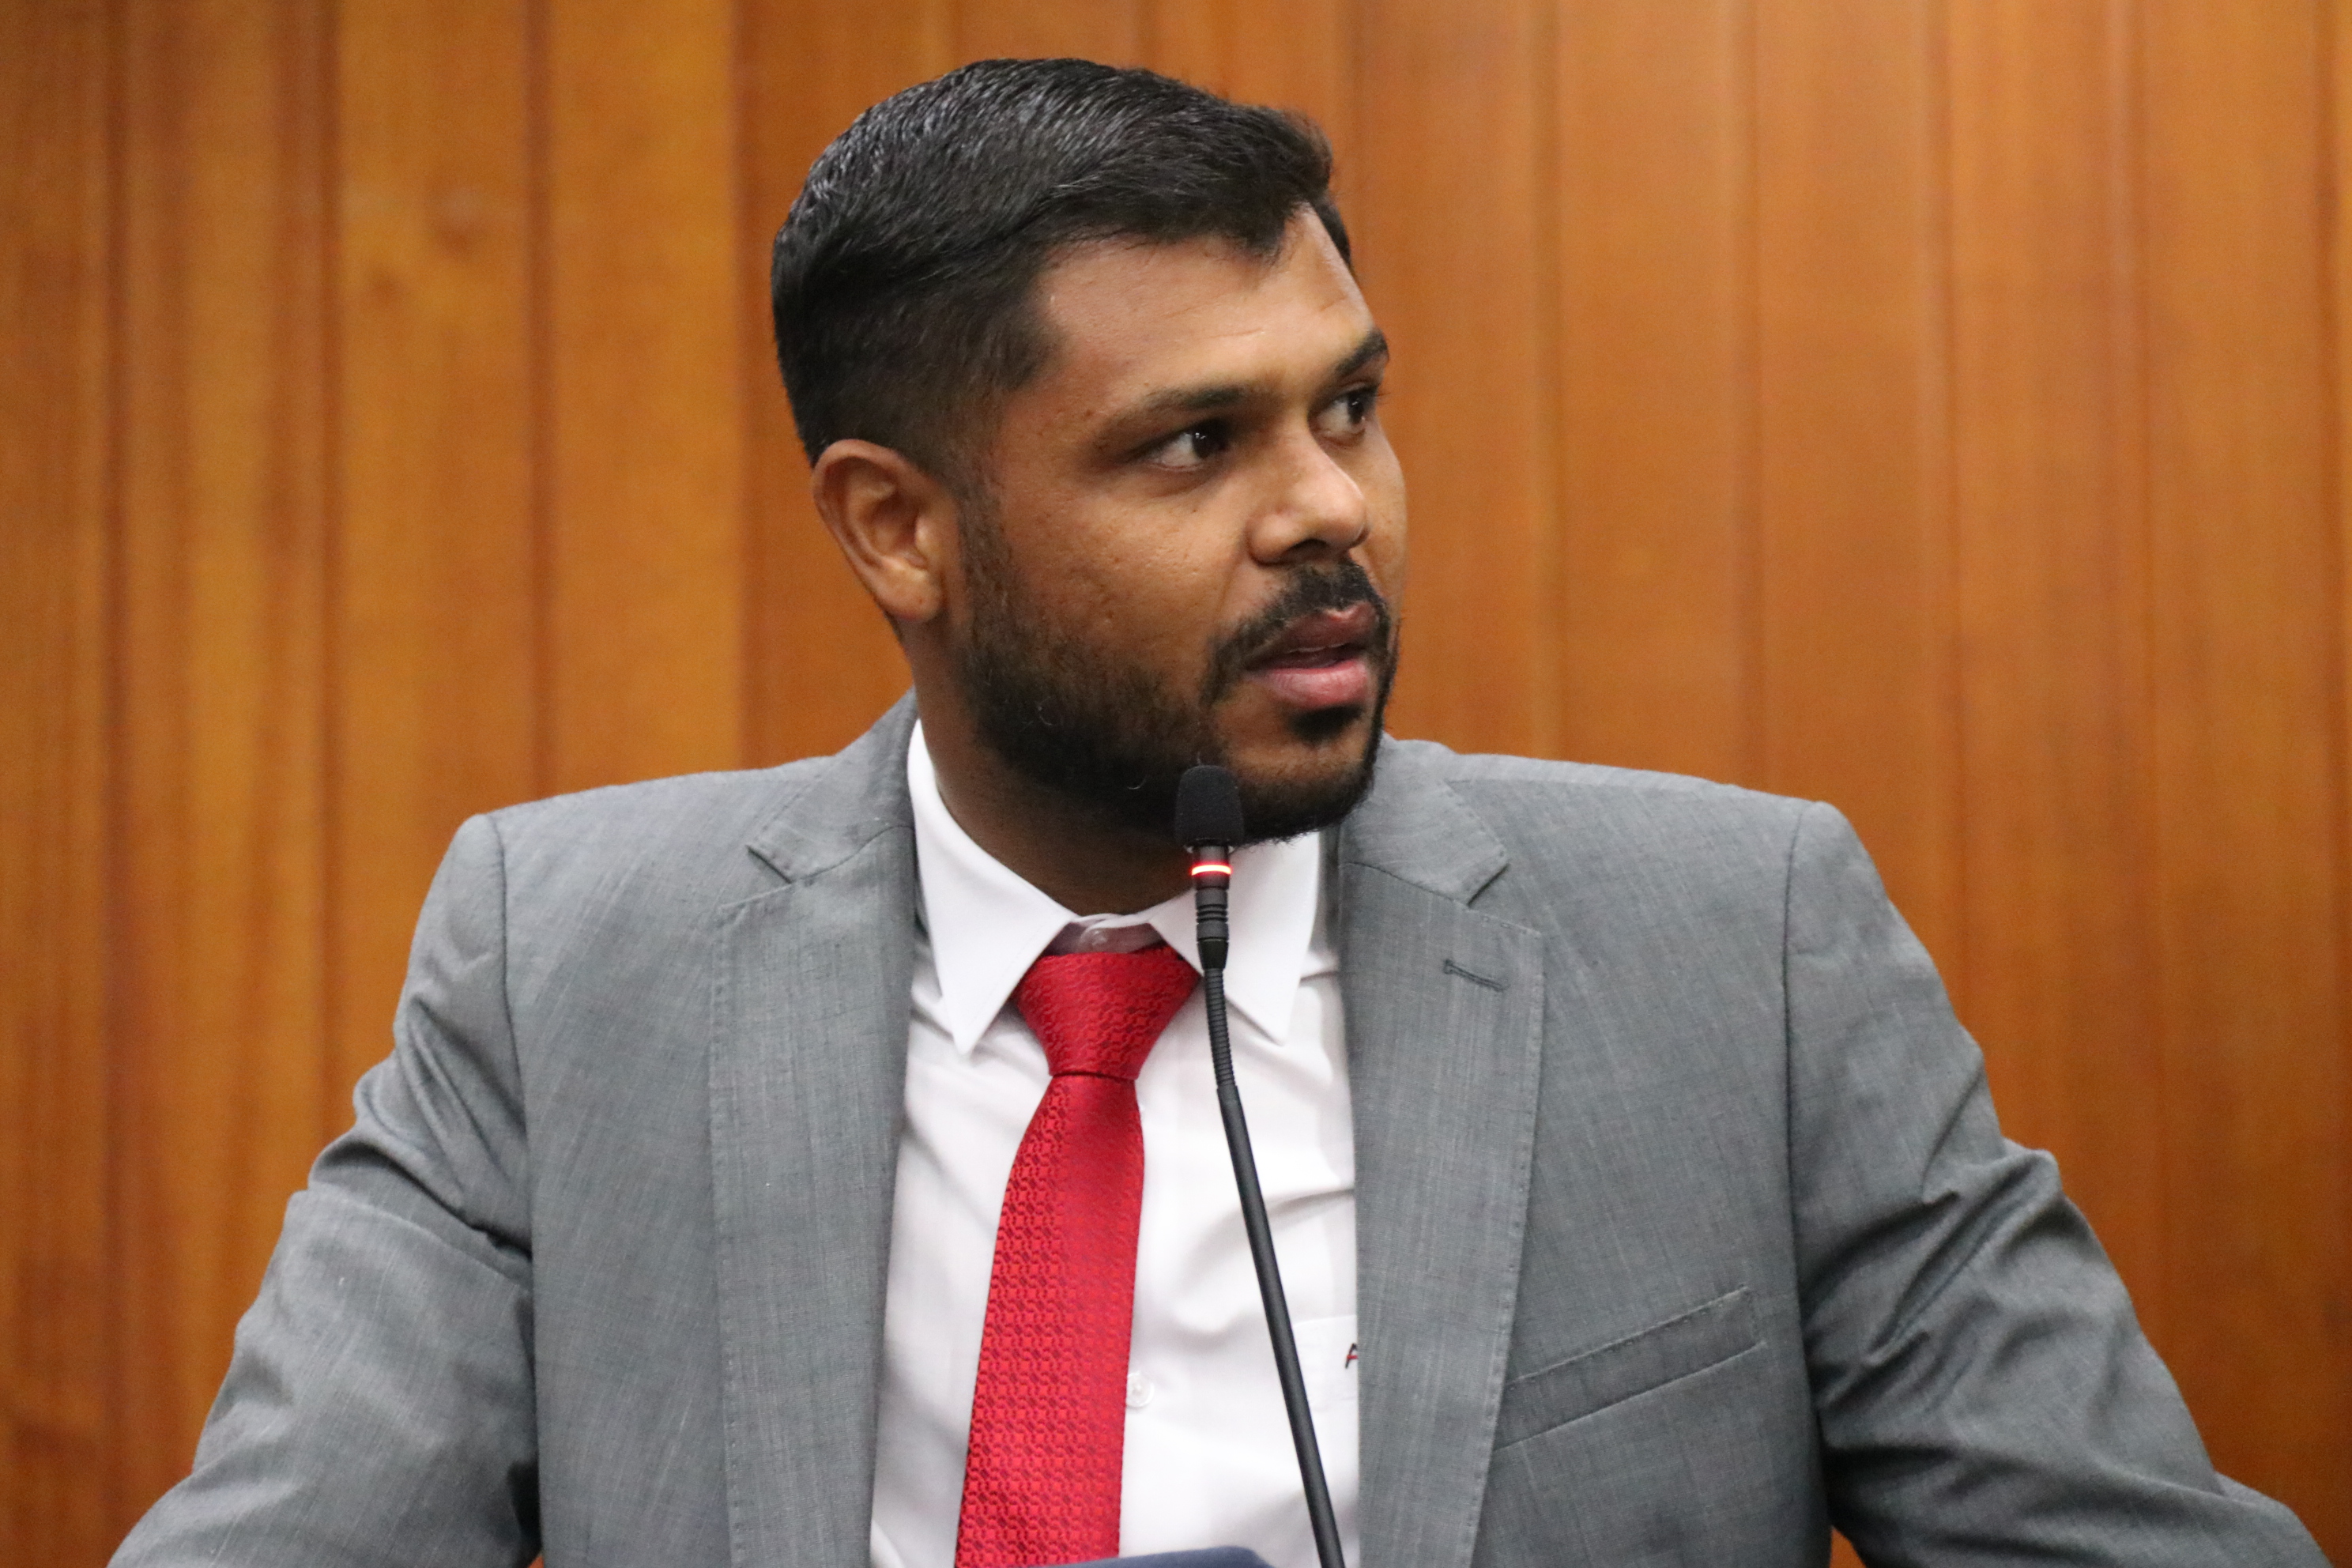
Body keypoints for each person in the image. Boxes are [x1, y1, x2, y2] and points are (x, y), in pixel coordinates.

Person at [115, 58, 2326, 1568]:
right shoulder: (567, 961)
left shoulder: (1731, 947)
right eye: (1196, 446)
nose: (1329, 511)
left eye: (1349, 408)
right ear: (899, 528)